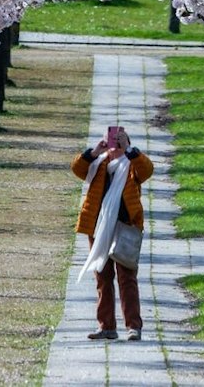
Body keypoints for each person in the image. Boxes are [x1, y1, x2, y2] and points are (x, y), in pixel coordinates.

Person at [71, 126, 154, 341]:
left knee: (127, 278)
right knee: (102, 277)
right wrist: (95, 152)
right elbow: (77, 168)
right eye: (111, 140)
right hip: (98, 228)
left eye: (119, 141)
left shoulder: (132, 164)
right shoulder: (99, 164)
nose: (114, 145)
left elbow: (147, 171)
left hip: (125, 227)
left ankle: (133, 326)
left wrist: (130, 150)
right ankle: (106, 326)